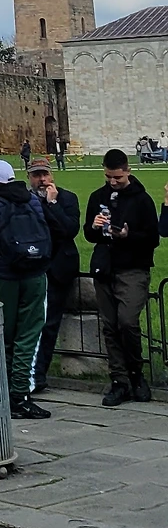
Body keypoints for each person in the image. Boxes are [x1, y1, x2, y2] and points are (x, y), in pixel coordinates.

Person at [0, 157, 51, 418]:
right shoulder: (34, 201)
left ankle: (9, 393)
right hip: (35, 272)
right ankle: (19, 393)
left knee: (7, 335)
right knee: (28, 336)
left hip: (7, 276)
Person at [85, 149, 159, 406]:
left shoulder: (142, 200)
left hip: (133, 268)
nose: (113, 181)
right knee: (110, 325)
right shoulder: (98, 197)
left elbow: (153, 238)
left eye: (117, 177)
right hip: (105, 267)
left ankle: (137, 375)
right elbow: (89, 235)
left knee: (127, 322)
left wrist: (129, 236)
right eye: (108, 177)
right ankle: (119, 380)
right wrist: (95, 227)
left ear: (128, 171)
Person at [26, 156, 81, 396]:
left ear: (52, 175)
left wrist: (52, 204)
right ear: (29, 177)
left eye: (45, 174)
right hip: (32, 267)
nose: (42, 179)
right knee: (28, 324)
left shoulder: (67, 198)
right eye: (36, 175)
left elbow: (69, 230)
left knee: (49, 324)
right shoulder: (25, 201)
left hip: (58, 268)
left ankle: (38, 375)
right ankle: (24, 373)